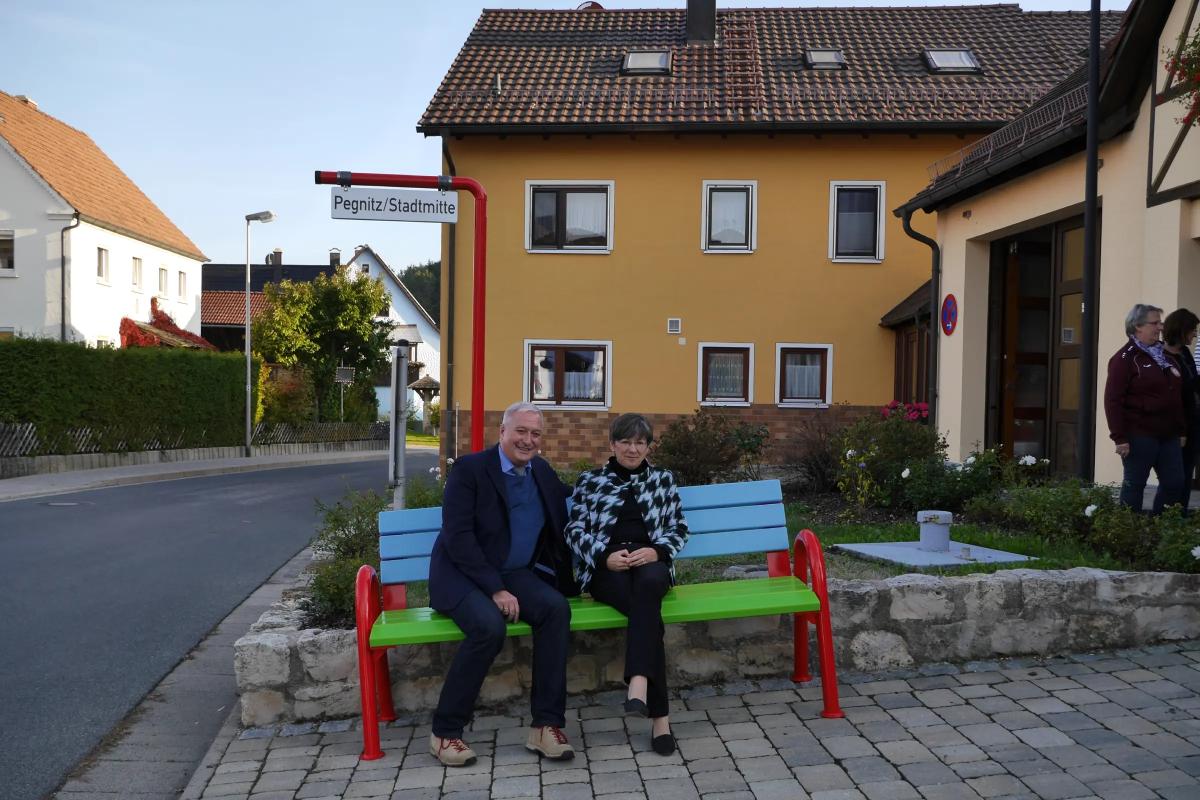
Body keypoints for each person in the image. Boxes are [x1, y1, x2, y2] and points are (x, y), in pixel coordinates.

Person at [427, 402, 578, 766]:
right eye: (521, 432)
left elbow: (569, 498)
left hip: (513, 575)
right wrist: (495, 588)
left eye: (536, 434)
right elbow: (458, 537)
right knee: (489, 628)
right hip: (461, 575)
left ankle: (545, 726)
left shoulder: (540, 471)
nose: (528, 440)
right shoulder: (470, 471)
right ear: (503, 433)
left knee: (556, 610)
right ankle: (445, 732)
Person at [564, 413, 689, 756]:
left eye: (640, 443)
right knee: (646, 610)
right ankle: (659, 718)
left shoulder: (663, 479)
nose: (633, 449)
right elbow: (573, 531)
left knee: (647, 589)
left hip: (651, 561)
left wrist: (657, 551)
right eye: (626, 442)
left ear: (648, 447)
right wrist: (603, 555)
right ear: (612, 444)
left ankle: (638, 684)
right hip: (608, 567)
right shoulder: (590, 481)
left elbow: (679, 527)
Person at [1104, 303, 1186, 513]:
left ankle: (1160, 529)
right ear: (1137, 326)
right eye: (1154, 323)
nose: (1160, 327)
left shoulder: (1165, 357)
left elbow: (1175, 396)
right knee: (1135, 485)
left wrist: (1181, 429)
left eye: (1161, 323)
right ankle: (1126, 532)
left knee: (1175, 483)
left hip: (1168, 434)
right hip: (1139, 433)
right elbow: (1113, 400)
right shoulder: (1125, 359)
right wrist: (1119, 437)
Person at [1160, 308, 1200, 512]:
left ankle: (1180, 516)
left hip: (1193, 422)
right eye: (1192, 330)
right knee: (1176, 477)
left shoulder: (1184, 353)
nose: (1195, 334)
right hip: (1176, 426)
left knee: (1186, 472)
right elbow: (1175, 394)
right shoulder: (1161, 356)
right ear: (1181, 329)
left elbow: (1192, 383)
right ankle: (1166, 517)